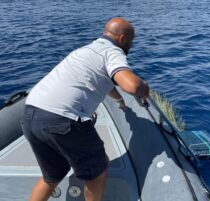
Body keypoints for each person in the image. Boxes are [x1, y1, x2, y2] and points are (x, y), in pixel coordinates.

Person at [20, 17, 149, 201]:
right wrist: (145, 90)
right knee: (98, 171)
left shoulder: (85, 50)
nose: (131, 45)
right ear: (122, 39)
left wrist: (119, 98)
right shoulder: (113, 51)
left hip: (31, 114)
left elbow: (103, 79)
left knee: (52, 176)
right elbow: (133, 86)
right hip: (62, 119)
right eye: (131, 41)